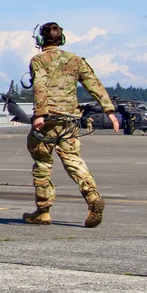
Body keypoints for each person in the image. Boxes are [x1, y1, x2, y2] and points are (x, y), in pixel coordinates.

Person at [24, 22, 118, 228]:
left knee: (42, 163)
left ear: (40, 41)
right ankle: (93, 197)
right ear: (62, 40)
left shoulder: (38, 60)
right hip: (69, 120)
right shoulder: (75, 60)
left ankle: (43, 210)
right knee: (73, 159)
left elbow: (39, 85)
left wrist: (40, 113)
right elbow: (93, 82)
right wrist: (109, 110)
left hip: (48, 120)